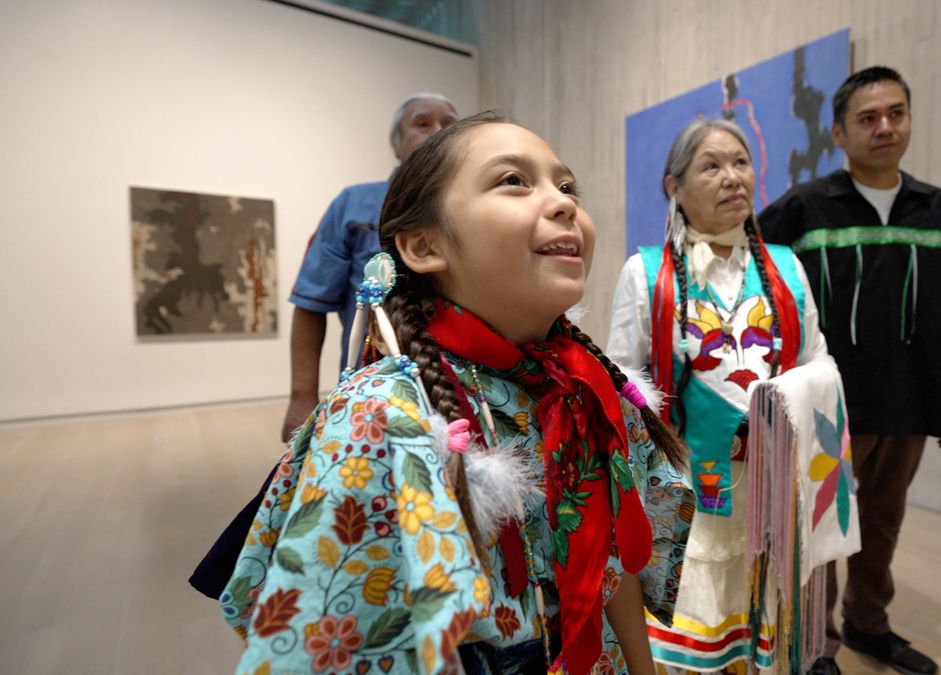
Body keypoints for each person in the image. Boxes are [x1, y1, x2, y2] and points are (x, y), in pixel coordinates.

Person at [218, 112, 695, 675]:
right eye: (514, 181)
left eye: (567, 187)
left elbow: (614, 566)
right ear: (424, 246)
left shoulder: (590, 388)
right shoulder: (381, 420)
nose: (563, 203)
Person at [757, 66, 941, 675]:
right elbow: (758, 295)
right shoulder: (801, 210)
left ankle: (868, 623)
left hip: (913, 398)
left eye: (896, 113)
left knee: (883, 523)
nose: (885, 127)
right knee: (818, 526)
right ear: (838, 133)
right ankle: (814, 642)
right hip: (828, 403)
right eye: (868, 118)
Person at [607, 118, 833, 673]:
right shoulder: (647, 272)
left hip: (771, 486)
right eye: (711, 166)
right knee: (691, 627)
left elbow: (818, 363)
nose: (733, 177)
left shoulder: (787, 267)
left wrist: (781, 400)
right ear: (675, 187)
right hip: (687, 484)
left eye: (740, 162)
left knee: (760, 618)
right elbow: (622, 382)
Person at [281, 93, 459, 442]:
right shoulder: (352, 205)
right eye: (423, 123)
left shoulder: (479, 208)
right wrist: (301, 398)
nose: (438, 131)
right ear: (397, 144)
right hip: (371, 393)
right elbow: (310, 303)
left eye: (449, 125)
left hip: (465, 392)